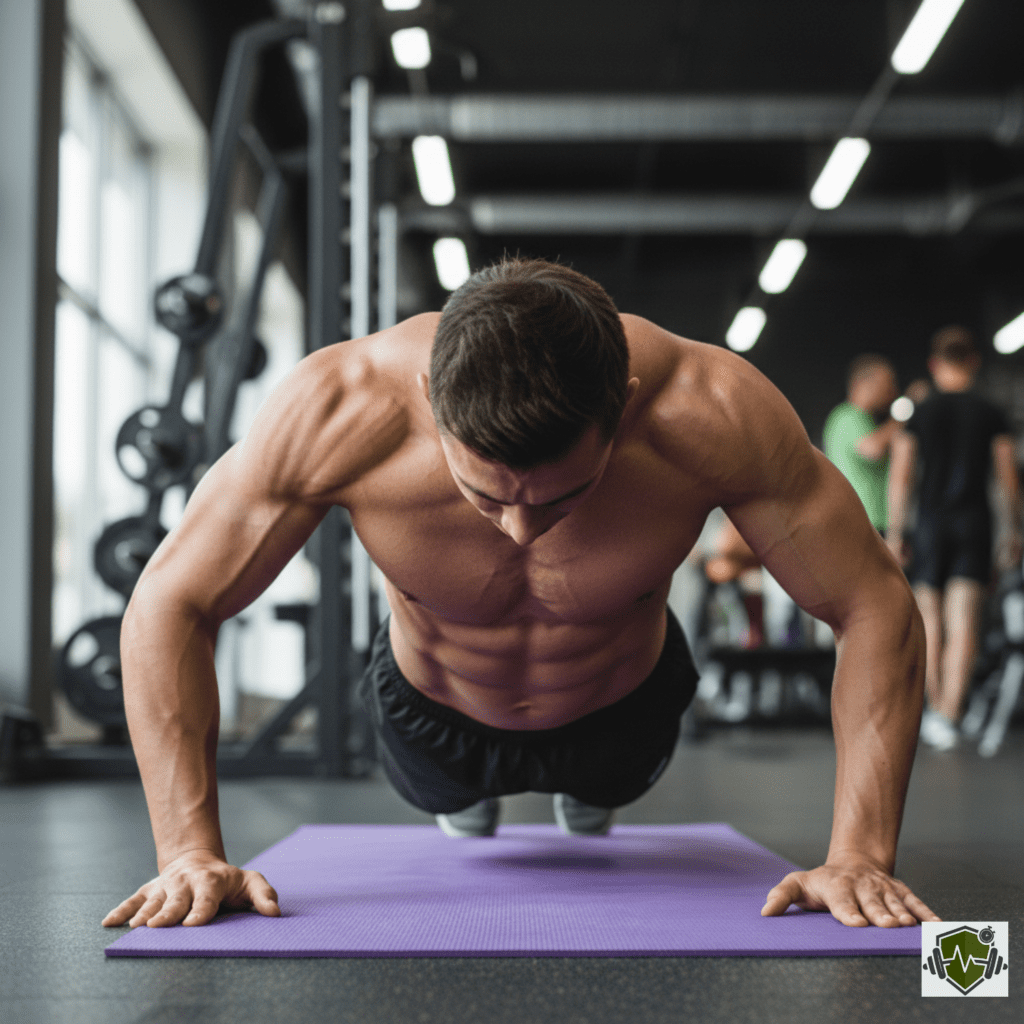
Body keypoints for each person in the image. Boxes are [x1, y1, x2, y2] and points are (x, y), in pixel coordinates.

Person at [103, 258, 937, 933]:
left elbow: (872, 601)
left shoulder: (712, 411)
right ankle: (467, 800)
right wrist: (187, 851)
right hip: (434, 717)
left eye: (561, 499)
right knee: (450, 797)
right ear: (433, 401)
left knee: (605, 786)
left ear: (625, 409)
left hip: (624, 714)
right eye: (484, 496)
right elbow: (170, 599)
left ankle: (585, 796)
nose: (519, 530)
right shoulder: (340, 406)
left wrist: (859, 854)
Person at [888, 326, 1022, 751]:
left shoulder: (920, 412)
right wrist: (1015, 528)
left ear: (934, 364)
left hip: (931, 524)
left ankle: (936, 711)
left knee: (930, 621)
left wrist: (895, 532)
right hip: (973, 523)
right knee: (964, 621)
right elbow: (1007, 477)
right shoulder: (990, 411)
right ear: (975, 362)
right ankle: (949, 713)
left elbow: (902, 475)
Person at [823, 355, 901, 533]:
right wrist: (900, 419)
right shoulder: (847, 416)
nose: (892, 392)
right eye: (886, 384)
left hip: (871, 522)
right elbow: (872, 449)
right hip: (861, 522)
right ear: (863, 383)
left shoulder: (867, 421)